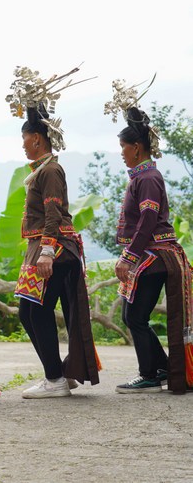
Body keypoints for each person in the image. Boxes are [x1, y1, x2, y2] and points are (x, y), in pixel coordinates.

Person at [15, 103, 101, 398]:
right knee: (27, 313)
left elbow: (54, 212)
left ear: (37, 139)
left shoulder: (50, 170)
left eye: (24, 139)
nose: (23, 145)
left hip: (54, 249)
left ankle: (55, 379)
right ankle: (59, 374)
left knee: (36, 311)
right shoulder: (43, 169)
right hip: (43, 247)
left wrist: (47, 251)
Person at [110, 99, 193, 394]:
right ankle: (158, 369)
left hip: (156, 257)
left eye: (123, 147)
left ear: (136, 147)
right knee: (132, 315)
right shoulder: (144, 176)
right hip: (152, 257)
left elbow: (147, 220)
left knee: (134, 316)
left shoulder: (148, 177)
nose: (121, 153)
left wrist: (128, 257)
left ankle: (151, 373)